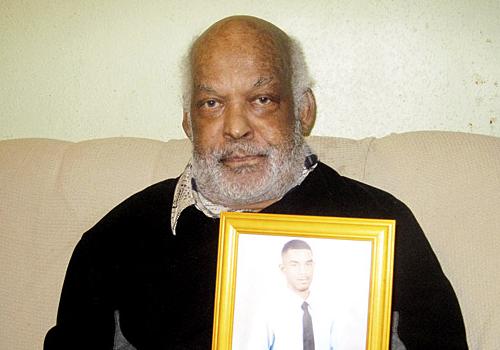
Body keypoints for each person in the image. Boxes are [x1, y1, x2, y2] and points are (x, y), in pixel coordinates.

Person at [44, 15, 468, 349]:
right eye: (212, 103)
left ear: (303, 110)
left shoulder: (380, 226)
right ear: (189, 121)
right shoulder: (117, 238)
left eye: (261, 99)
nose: (235, 128)